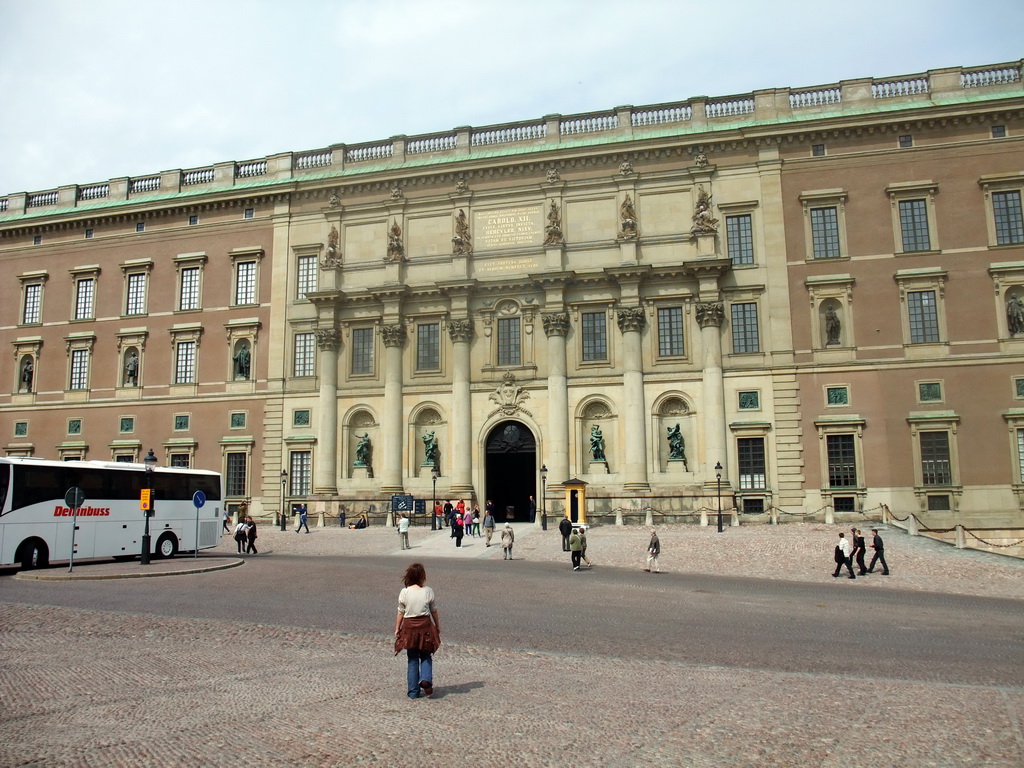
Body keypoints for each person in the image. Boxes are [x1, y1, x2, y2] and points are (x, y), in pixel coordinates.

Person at [394, 562, 441, 699]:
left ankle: (413, 692)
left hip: (409, 628)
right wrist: (437, 626)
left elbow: (400, 612)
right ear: (422, 576)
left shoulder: (405, 592)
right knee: (426, 655)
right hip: (425, 626)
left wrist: (397, 628)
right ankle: (425, 678)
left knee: (412, 658)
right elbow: (434, 611)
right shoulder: (428, 591)